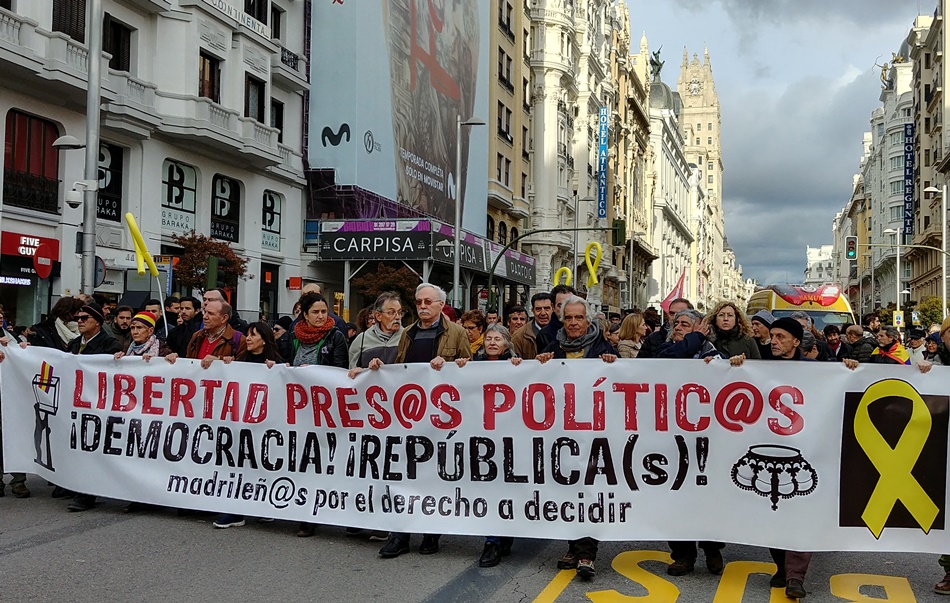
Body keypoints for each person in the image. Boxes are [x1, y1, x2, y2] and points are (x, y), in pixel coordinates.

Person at [751, 317, 858, 599]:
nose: (773, 340)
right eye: (771, 336)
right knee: (772, 515)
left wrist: (849, 371)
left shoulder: (816, 370)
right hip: (769, 450)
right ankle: (782, 566)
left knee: (801, 514)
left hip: (806, 452)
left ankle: (796, 576)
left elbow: (839, 388)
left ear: (796, 341)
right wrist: (732, 366)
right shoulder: (757, 367)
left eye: (780, 336)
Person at [376, 283, 471, 559]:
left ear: (441, 305)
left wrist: (454, 364)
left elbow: (471, 369)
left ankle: (431, 532)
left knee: (435, 476)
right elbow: (400, 368)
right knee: (407, 475)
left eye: (428, 301)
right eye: (418, 302)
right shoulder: (408, 333)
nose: (422, 306)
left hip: (443, 419)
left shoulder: (457, 332)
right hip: (412, 417)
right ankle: (401, 535)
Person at [536, 295, 618, 580]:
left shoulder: (603, 348)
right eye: (568, 318)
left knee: (590, 489)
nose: (573, 323)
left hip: (595, 432)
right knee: (567, 488)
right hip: (562, 432)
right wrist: (541, 362)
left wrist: (613, 363)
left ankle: (587, 553)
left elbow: (619, 381)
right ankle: (572, 546)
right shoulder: (552, 348)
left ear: (588, 320)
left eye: (578, 318)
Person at [455, 324, 522, 568]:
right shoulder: (474, 365)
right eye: (489, 339)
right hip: (482, 438)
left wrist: (520, 368)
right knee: (490, 487)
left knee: (506, 488)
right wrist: (459, 368)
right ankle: (493, 541)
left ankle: (503, 535)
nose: (492, 343)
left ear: (507, 343)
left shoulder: (518, 365)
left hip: (510, 436)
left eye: (498, 339)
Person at [290, 292, 349, 537]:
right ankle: (307, 514)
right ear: (304, 314)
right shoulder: (292, 337)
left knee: (324, 461)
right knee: (303, 462)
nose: (321, 316)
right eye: (315, 312)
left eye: (324, 311)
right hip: (297, 410)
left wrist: (314, 373)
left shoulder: (335, 337)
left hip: (325, 411)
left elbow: (340, 372)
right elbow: (283, 363)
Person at [212, 322, 281, 529]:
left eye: (253, 335)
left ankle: (264, 505)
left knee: (261, 465)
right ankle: (236, 511)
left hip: (266, 426)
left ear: (264, 339)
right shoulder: (240, 361)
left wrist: (277, 371)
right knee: (238, 465)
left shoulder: (276, 364)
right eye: (248, 335)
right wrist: (226, 364)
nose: (248, 338)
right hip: (241, 425)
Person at [65, 302, 123, 512]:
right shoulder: (73, 344)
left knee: (92, 446)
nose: (79, 322)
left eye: (84, 319)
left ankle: (86, 494)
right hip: (76, 403)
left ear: (97, 323)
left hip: (98, 406)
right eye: (78, 318)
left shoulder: (110, 345)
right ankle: (75, 485)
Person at [165, 299, 247, 369]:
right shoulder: (197, 336)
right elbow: (189, 364)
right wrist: (177, 360)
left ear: (224, 318)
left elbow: (241, 371)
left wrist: (219, 361)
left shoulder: (239, 340)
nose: (204, 317)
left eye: (210, 313)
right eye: (205, 312)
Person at [0, 312, 28, 498]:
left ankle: (18, 481)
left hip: (12, 395)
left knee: (16, 435)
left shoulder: (10, 336)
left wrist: (23, 348)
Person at [349, 292, 405, 371]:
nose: (398, 317)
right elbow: (351, 372)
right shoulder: (361, 340)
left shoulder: (407, 337)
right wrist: (362, 371)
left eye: (399, 312)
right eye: (391, 312)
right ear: (378, 316)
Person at [656, 309, 725, 361]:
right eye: (676, 324)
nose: (677, 328)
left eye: (684, 325)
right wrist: (697, 336)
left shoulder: (709, 351)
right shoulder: (665, 348)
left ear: (702, 329)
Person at [511, 293, 554, 360]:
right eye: (538, 309)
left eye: (546, 308)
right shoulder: (519, 336)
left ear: (553, 309)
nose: (543, 313)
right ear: (533, 310)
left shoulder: (561, 333)